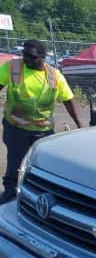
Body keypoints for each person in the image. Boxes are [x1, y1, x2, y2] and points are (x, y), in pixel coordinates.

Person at [0, 39, 84, 204]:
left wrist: (80, 124)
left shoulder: (54, 75)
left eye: (31, 56)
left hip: (43, 129)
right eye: (24, 54)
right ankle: (10, 192)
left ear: (43, 57)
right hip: (16, 126)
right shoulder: (12, 67)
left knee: (44, 164)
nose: (26, 59)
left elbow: (68, 100)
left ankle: (40, 195)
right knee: (15, 161)